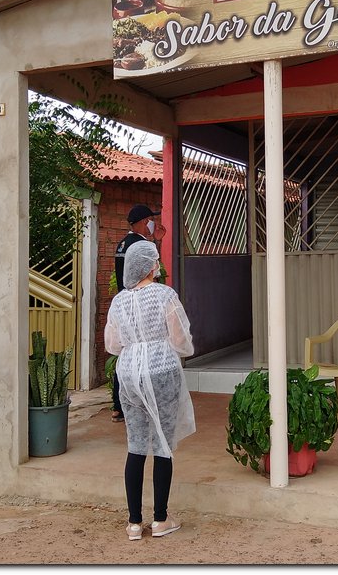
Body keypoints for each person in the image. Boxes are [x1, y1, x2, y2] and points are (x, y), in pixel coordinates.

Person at [104, 240, 195, 540]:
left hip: (128, 373)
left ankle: (133, 523)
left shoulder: (118, 302)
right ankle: (160, 519)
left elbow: (112, 345)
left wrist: (135, 348)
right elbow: (180, 340)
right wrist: (163, 348)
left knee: (136, 444)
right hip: (161, 371)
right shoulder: (165, 295)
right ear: (151, 266)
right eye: (155, 260)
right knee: (162, 444)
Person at [111, 204, 168, 422]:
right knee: (145, 353)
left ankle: (119, 406)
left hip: (123, 304)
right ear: (145, 222)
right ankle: (145, 402)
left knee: (125, 354)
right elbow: (154, 273)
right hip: (141, 305)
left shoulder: (123, 243)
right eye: (151, 220)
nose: (153, 224)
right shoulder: (142, 245)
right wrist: (157, 243)